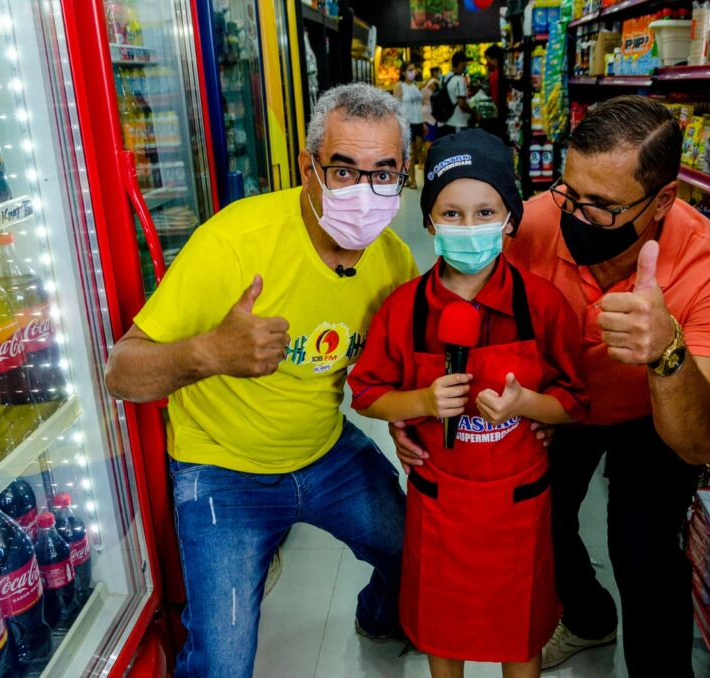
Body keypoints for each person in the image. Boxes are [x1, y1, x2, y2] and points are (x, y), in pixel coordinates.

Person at [392, 96, 710, 675]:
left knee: (643, 550)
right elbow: (443, 313)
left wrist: (667, 352)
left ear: (663, 200)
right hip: (552, 403)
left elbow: (700, 443)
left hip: (653, 416)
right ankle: (586, 617)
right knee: (541, 522)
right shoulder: (529, 224)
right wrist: (410, 408)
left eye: (602, 207)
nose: (577, 216)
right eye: (570, 193)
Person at [104, 83, 418, 677]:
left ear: (404, 173)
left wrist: (408, 417)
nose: (365, 193)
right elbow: (121, 372)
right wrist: (209, 353)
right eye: (343, 171)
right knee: (221, 666)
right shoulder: (234, 242)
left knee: (420, 559)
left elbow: (391, 370)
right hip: (222, 468)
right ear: (307, 168)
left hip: (327, 453)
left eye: (384, 173)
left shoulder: (393, 259)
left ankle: (379, 615)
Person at [349, 128, 589, 678]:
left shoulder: (542, 305)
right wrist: (420, 400)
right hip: (440, 505)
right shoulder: (404, 309)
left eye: (485, 212)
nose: (469, 226)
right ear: (430, 222)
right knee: (443, 625)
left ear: (510, 220)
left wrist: (528, 404)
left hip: (519, 506)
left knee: (519, 630)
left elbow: (575, 402)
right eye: (451, 214)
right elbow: (366, 394)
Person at [394, 61, 424, 189]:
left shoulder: (416, 85)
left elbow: (420, 105)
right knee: (411, 152)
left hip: (419, 122)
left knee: (418, 150)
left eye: (414, 69)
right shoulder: (399, 86)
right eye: (410, 70)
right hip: (407, 123)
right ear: (403, 72)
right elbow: (395, 107)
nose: (413, 72)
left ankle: (406, 176)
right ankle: (413, 180)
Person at [441, 51, 477, 136]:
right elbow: (462, 104)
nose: (466, 65)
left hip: (448, 121)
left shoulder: (446, 77)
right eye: (465, 62)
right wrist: (474, 113)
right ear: (461, 63)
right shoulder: (460, 80)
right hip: (459, 122)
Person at [480, 44, 509, 140]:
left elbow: (496, 99)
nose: (487, 63)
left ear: (494, 59)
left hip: (502, 114)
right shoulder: (507, 71)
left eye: (488, 59)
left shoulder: (495, 76)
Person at [422, 65, 442, 144]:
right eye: (440, 72)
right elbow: (437, 98)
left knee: (427, 136)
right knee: (431, 138)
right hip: (431, 113)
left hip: (425, 111)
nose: (441, 74)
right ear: (434, 72)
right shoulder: (434, 82)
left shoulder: (426, 81)